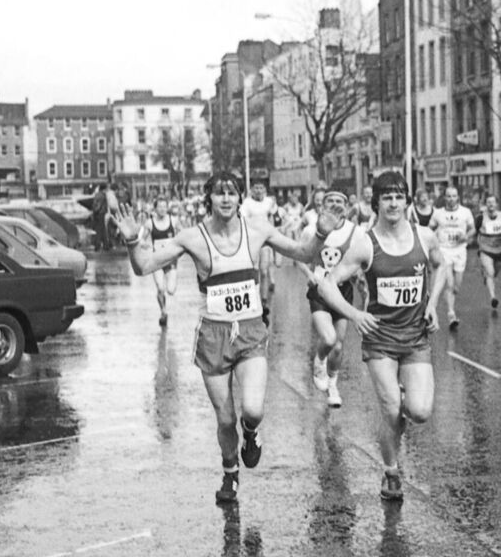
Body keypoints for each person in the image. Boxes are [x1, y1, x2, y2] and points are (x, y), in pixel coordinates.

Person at [114, 171, 338, 505]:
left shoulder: (257, 230)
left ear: (240, 198)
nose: (226, 198)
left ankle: (251, 435)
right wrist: (133, 241)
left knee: (252, 409)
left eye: (232, 192)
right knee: (225, 418)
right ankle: (230, 473)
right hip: (213, 335)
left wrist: (321, 232)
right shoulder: (193, 237)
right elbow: (144, 266)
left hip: (249, 331)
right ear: (210, 199)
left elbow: (304, 253)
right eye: (219, 193)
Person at [317, 170, 446, 502]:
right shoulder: (365, 242)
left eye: (399, 196)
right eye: (387, 197)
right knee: (390, 409)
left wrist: (432, 304)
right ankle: (391, 471)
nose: (393, 203)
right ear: (377, 202)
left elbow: (440, 266)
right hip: (380, 339)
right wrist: (355, 314)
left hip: (416, 336)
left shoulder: (425, 236)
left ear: (407, 201)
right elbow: (327, 284)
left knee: (418, 411)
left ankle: (394, 425)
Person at [298, 191, 356, 406]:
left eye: (339, 201)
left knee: (339, 347)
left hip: (343, 290)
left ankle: (333, 384)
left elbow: (361, 259)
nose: (334, 204)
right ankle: (319, 360)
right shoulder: (311, 229)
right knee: (329, 339)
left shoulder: (355, 231)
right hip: (320, 289)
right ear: (321, 206)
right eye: (329, 201)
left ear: (347, 206)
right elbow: (300, 256)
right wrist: (310, 275)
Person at [428, 186, 475, 330]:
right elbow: (429, 229)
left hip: (460, 251)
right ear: (444, 198)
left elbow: (473, 229)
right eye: (448, 196)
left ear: (458, 198)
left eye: (454, 196)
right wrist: (434, 239)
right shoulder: (438, 214)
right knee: (449, 283)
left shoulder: (465, 212)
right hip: (444, 250)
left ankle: (449, 305)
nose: (451, 199)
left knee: (456, 287)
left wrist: (466, 236)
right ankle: (451, 314)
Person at [241, 178, 280, 322]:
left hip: (265, 241)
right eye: (256, 188)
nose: (258, 191)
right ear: (251, 189)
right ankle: (253, 301)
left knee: (264, 271)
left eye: (261, 188)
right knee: (253, 272)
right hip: (251, 241)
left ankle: (264, 301)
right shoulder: (247, 204)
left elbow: (276, 221)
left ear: (265, 190)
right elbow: (242, 220)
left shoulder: (270, 203)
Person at [147, 197, 181, 327]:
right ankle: (163, 311)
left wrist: (179, 248)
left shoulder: (174, 221)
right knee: (160, 288)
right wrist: (148, 248)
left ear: (167, 208)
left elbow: (182, 235)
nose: (162, 209)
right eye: (159, 206)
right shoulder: (150, 224)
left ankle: (164, 307)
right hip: (157, 260)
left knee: (171, 290)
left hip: (171, 260)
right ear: (155, 209)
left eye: (164, 206)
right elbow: (142, 240)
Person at [475, 193, 501, 309]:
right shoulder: (481, 218)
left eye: (493, 202)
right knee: (490, 272)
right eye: (488, 202)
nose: (491, 204)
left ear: (496, 204)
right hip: (485, 249)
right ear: (485, 204)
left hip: (499, 249)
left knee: (494, 273)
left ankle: (487, 276)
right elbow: (476, 230)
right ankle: (493, 297)